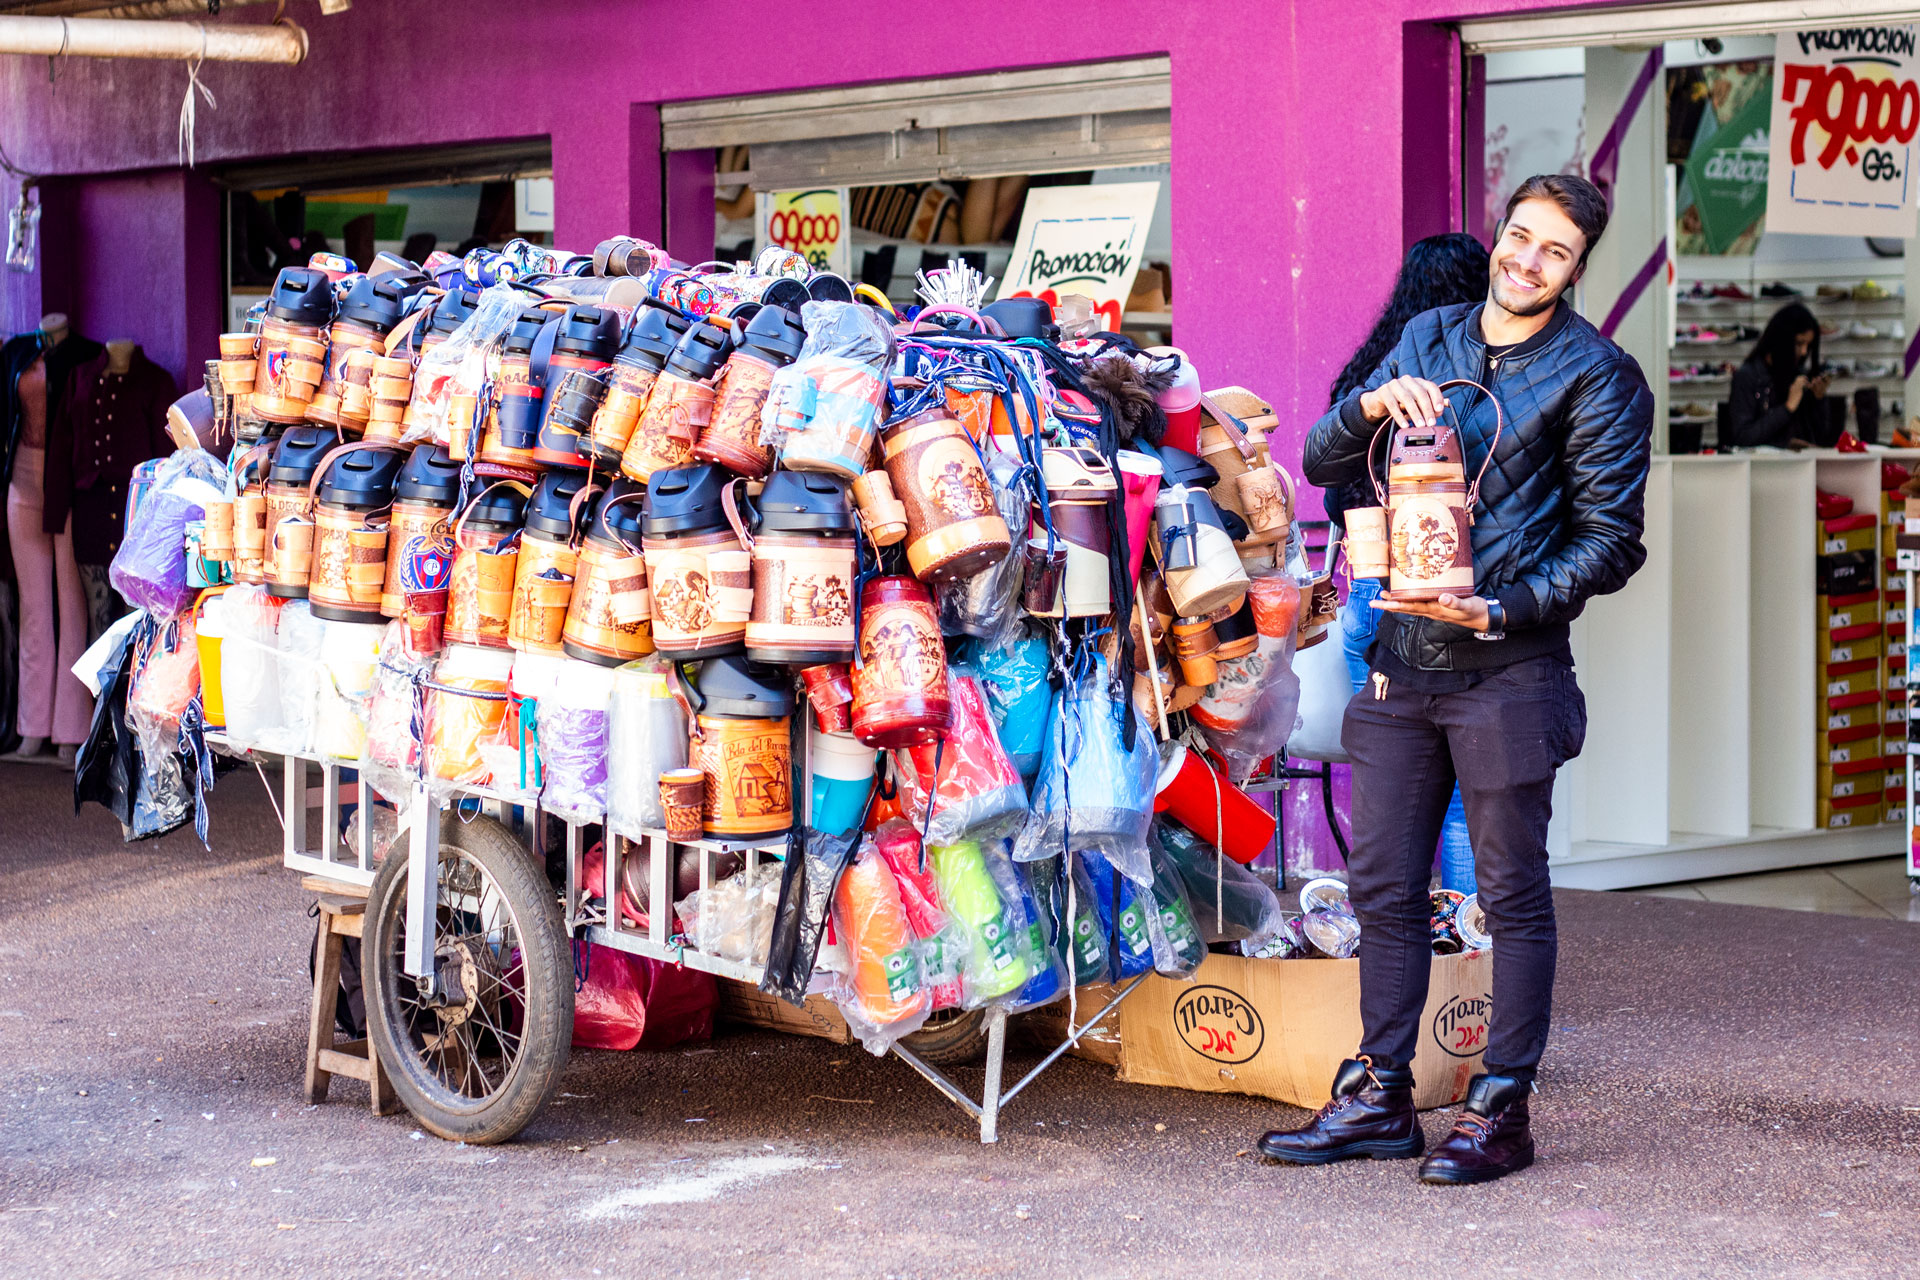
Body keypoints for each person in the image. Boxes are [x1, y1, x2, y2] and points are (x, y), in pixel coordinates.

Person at [1259, 174, 1653, 1185]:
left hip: (1508, 669)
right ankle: (1380, 1094)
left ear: (1577, 266)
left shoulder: (1598, 376)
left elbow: (1612, 541)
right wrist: (1366, 404)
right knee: (1384, 885)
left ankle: (1499, 1106)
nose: (1527, 261)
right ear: (1498, 233)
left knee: (1512, 896)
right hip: (1398, 666)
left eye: (1554, 251)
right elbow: (1317, 458)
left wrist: (1504, 605)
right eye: (1520, 237)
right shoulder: (1428, 334)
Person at [1331, 232, 1489, 896]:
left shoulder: (1371, 377)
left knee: (1392, 791)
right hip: (1443, 602)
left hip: (1367, 603)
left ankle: (1393, 943)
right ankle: (1465, 947)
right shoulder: (1474, 386)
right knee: (1456, 798)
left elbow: (1335, 485)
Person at [1726, 302, 1828, 447]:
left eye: (1808, 345)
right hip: (1762, 467)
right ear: (1783, 339)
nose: (1805, 352)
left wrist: (1818, 400)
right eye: (1799, 343)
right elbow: (1743, 437)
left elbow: (1822, 437)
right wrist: (1787, 408)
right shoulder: (1748, 376)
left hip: (1800, 466)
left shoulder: (1799, 375)